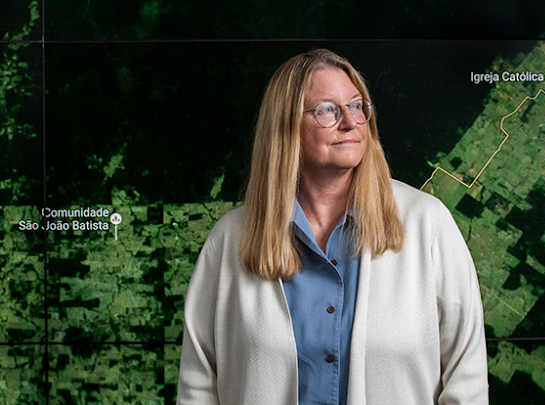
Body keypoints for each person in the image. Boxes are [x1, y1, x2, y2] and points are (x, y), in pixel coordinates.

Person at [176, 49, 488, 405]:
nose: (350, 122)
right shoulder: (231, 238)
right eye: (327, 110)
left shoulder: (426, 224)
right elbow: (197, 386)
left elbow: (468, 379)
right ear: (286, 125)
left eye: (357, 106)